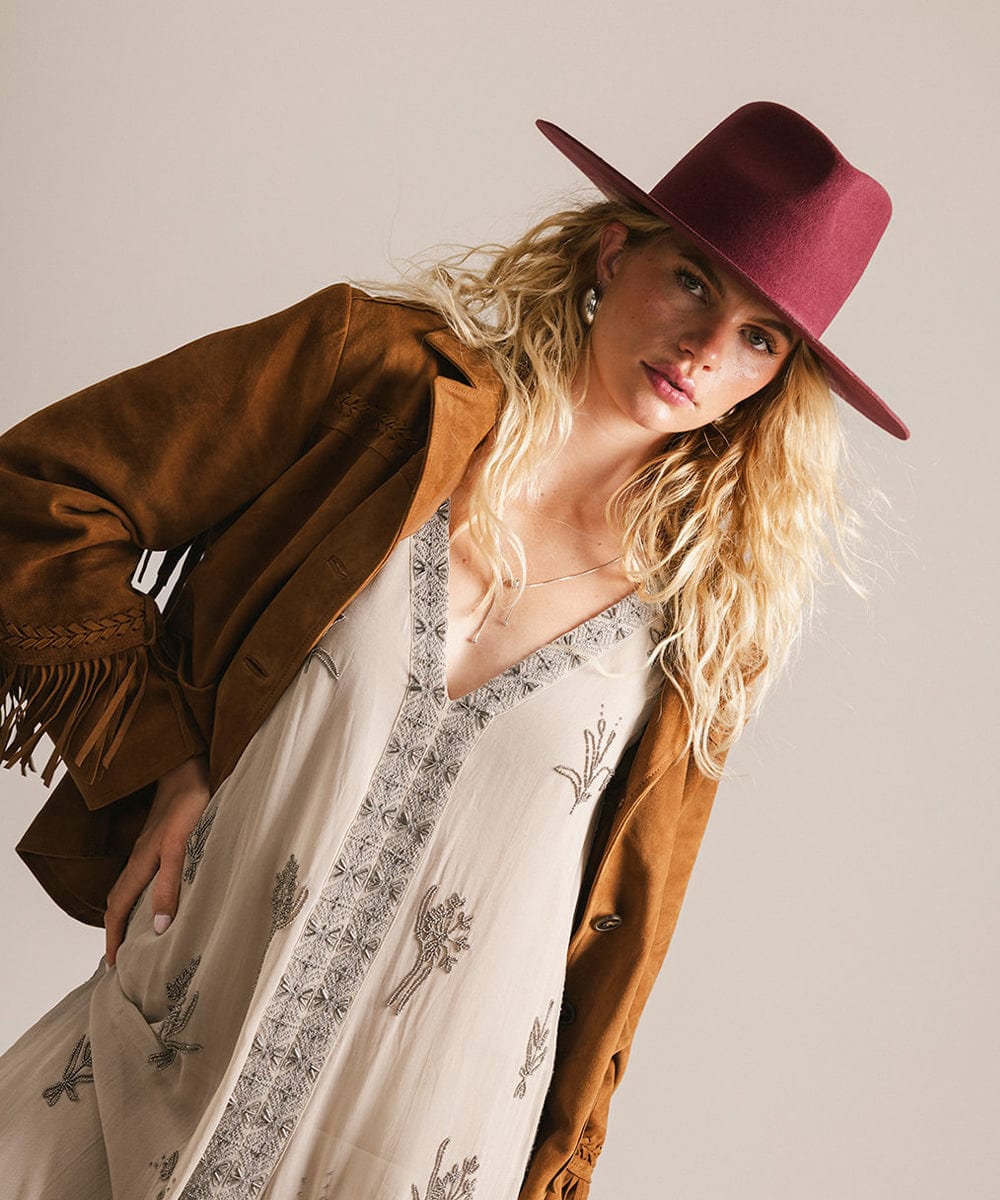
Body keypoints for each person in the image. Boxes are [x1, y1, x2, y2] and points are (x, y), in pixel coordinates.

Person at [0, 101, 908, 1200]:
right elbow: (40, 495)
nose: (706, 349)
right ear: (615, 251)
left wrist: (565, 1162)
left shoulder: (707, 613)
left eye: (760, 337)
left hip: (427, 1141)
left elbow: (627, 933)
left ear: (777, 376)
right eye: (692, 283)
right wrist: (158, 759)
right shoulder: (375, 384)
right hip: (156, 1062)